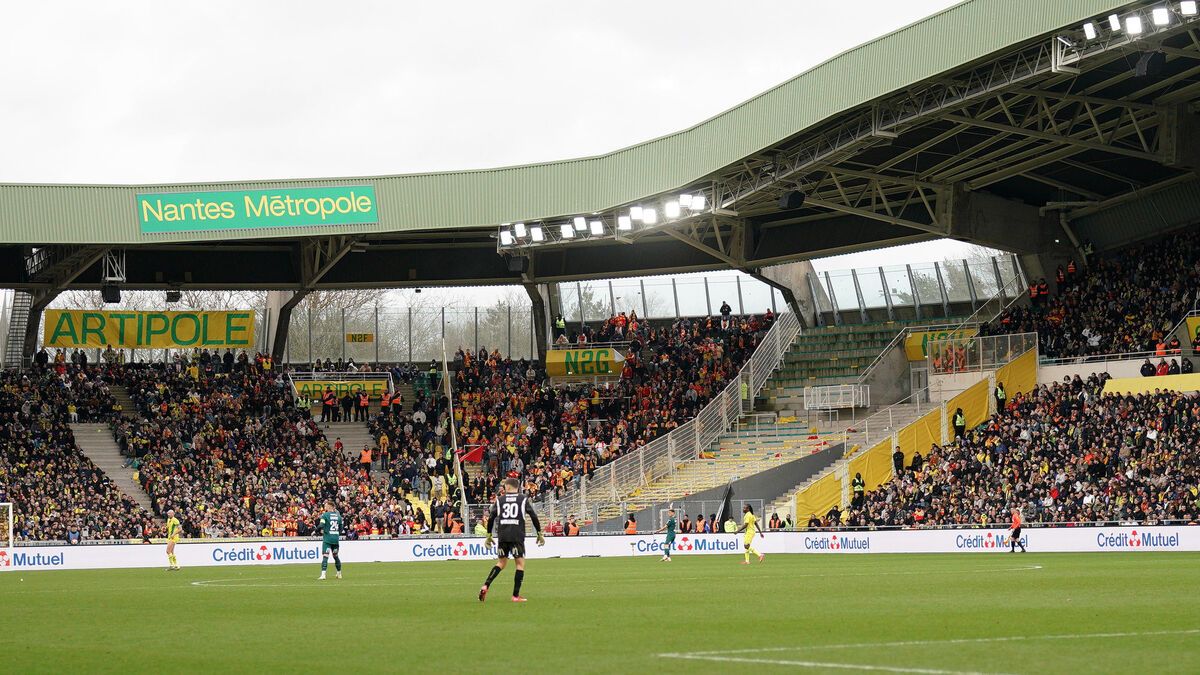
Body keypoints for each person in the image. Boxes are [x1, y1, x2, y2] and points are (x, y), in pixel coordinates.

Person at [479, 478, 545, 603]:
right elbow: (533, 515)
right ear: (517, 487)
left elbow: (492, 516)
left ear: (507, 487)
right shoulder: (523, 499)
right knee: (520, 564)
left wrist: (489, 535)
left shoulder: (500, 500)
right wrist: (539, 533)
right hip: (517, 535)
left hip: (503, 535)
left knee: (501, 563)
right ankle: (515, 596)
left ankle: (486, 585)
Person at [317, 500, 343, 580]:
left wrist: (316, 531)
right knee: (336, 556)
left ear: (329, 507)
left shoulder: (325, 515)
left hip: (327, 539)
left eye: (325, 505)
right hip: (335, 539)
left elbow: (321, 525)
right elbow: (341, 529)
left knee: (325, 556)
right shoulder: (339, 516)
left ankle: (323, 575)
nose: (324, 507)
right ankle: (339, 573)